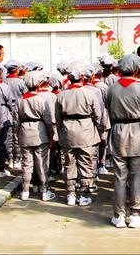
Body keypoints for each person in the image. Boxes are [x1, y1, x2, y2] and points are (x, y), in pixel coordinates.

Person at [106, 53, 140, 228]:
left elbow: (108, 110)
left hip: (118, 131)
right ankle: (136, 213)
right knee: (137, 175)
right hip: (138, 132)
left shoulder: (111, 88)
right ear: (136, 69)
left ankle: (119, 215)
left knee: (119, 176)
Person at [56, 62, 102, 207]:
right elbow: (98, 116)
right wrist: (97, 129)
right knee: (86, 163)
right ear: (82, 78)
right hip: (86, 131)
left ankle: (70, 194)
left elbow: (57, 118)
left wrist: (60, 133)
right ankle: (83, 194)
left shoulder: (61, 95)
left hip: (67, 131)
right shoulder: (90, 93)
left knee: (69, 163)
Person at [13, 70, 55, 201]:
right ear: (39, 84)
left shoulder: (20, 101)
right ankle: (44, 189)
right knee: (42, 164)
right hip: (40, 132)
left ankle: (25, 190)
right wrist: (51, 135)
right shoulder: (42, 100)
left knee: (27, 164)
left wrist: (17, 134)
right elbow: (48, 120)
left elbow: (15, 120)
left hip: (25, 132)